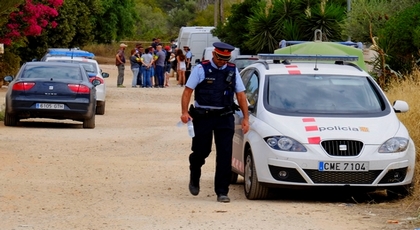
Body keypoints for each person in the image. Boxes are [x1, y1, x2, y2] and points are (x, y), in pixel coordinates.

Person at [180, 42, 250, 203]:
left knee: (225, 154)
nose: (222, 61)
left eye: (225, 59)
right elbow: (187, 92)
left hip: (224, 117)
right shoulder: (200, 69)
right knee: (201, 151)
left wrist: (246, 118)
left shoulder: (233, 70)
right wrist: (184, 112)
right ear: (213, 55)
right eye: (219, 58)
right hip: (203, 116)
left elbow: (241, 95)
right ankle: (195, 172)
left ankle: (222, 191)